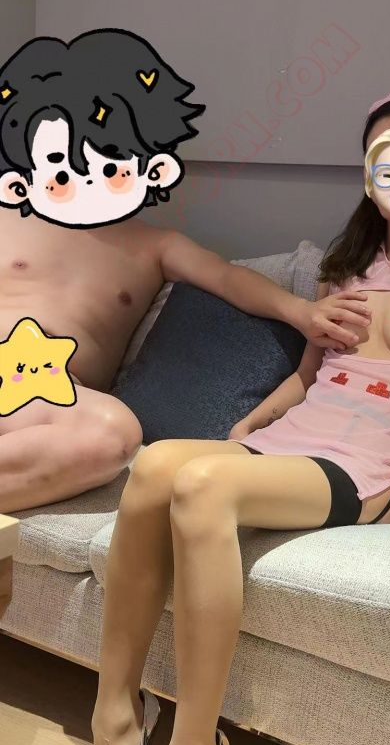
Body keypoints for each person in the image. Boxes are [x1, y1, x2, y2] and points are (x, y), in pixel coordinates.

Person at [72, 88, 390, 745]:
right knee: (159, 466)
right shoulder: (346, 263)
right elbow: (308, 376)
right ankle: (115, 725)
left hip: (367, 465)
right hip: (295, 439)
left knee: (200, 487)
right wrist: (245, 427)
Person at [0, 29, 370, 512]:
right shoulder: (10, 215)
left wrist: (302, 311)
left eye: (109, 163)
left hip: (53, 403)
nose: (84, 176)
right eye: (63, 162)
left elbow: (227, 279)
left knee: (114, 434)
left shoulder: (154, 246)